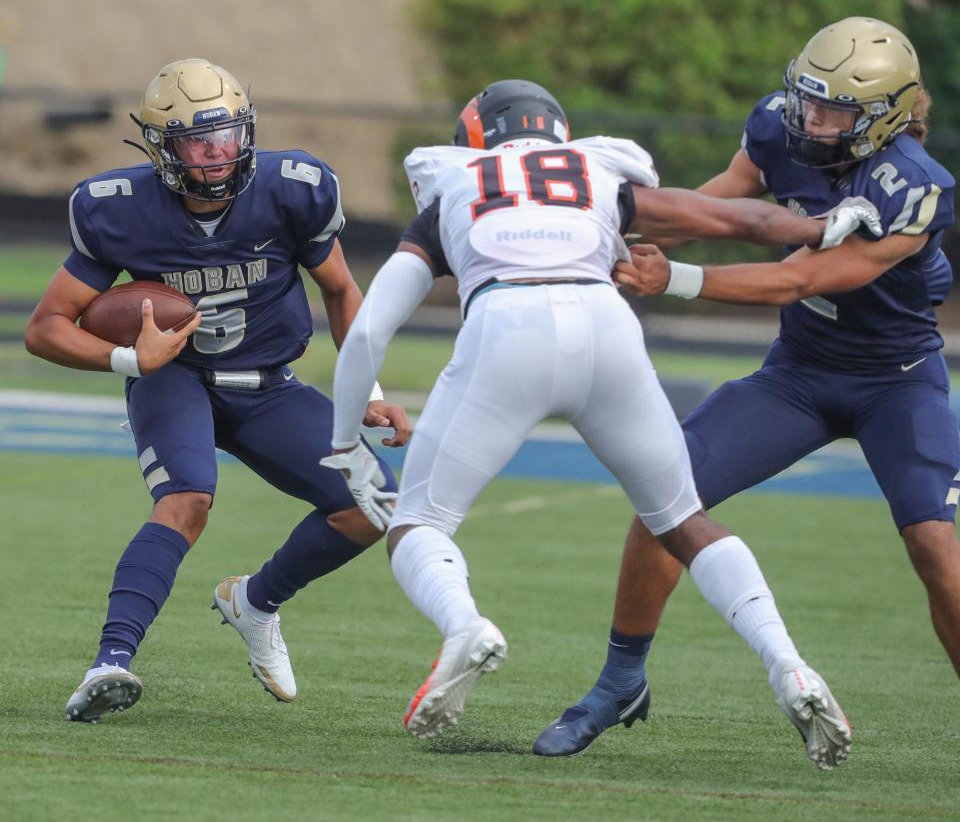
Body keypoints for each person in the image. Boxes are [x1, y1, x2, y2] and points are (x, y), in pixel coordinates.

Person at [318, 79, 878, 768]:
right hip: (605, 325)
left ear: (474, 139)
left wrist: (345, 441)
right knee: (683, 518)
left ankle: (464, 625)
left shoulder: (454, 188)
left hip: (507, 328)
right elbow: (728, 218)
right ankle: (787, 661)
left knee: (417, 522)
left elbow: (372, 327)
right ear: (560, 133)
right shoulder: (594, 172)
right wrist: (821, 226)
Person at [537, 16, 960, 758]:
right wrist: (595, 238)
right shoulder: (775, 126)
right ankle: (619, 681)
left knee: (934, 541)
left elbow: (805, 276)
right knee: (667, 496)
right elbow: (717, 204)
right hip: (798, 373)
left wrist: (678, 280)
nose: (810, 119)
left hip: (896, 381)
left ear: (884, 118)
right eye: (806, 99)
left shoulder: (915, 186)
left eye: (833, 110)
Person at [24, 59, 410, 723]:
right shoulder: (119, 208)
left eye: (228, 136)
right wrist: (127, 355)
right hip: (174, 378)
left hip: (268, 384)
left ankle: (256, 601)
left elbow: (342, 290)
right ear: (162, 148)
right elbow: (45, 327)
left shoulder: (295, 188)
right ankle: (110, 661)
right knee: (187, 499)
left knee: (371, 506)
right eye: (200, 143)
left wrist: (366, 389)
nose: (218, 154)